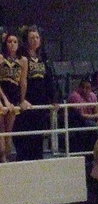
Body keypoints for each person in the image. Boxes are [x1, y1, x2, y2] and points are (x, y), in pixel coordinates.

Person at [15, 25, 57, 161]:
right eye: (32, 37)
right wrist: (22, 99)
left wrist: (53, 98)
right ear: (26, 40)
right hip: (27, 103)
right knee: (25, 137)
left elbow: (49, 80)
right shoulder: (21, 57)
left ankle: (38, 161)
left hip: (40, 103)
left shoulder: (43, 58)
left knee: (38, 138)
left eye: (37, 37)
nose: (35, 40)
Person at [0, 32, 29, 162]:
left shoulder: (23, 60)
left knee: (9, 131)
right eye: (9, 41)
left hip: (14, 94)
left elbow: (23, 82)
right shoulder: (1, 58)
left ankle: (7, 156)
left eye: (15, 42)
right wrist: (4, 100)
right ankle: (2, 156)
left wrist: (22, 100)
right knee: (1, 128)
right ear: (5, 44)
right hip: (2, 93)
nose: (12, 44)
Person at [67, 77, 98, 153]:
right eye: (82, 87)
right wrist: (96, 116)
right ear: (79, 87)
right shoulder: (75, 96)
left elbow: (97, 111)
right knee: (93, 126)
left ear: (91, 88)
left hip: (90, 120)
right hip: (78, 121)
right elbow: (81, 115)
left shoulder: (93, 96)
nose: (84, 90)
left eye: (87, 88)